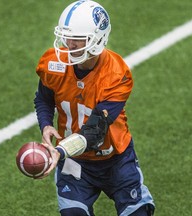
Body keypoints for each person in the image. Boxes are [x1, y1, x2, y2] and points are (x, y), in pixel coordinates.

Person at [33, 0, 155, 215]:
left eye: (78, 40)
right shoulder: (53, 64)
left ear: (98, 39)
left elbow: (95, 132)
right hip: (74, 162)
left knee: (138, 212)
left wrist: (59, 152)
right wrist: (45, 124)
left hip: (115, 159)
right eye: (66, 37)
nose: (69, 45)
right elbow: (43, 98)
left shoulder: (117, 74)